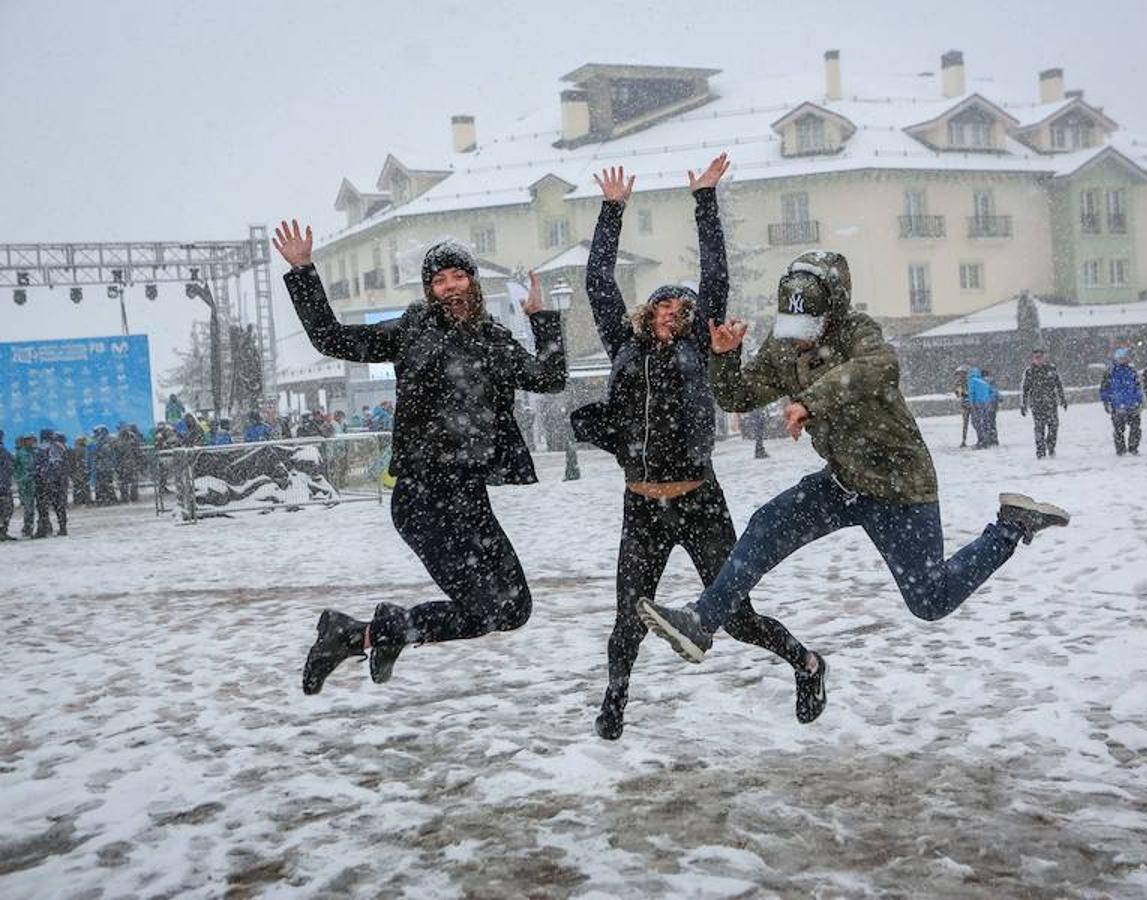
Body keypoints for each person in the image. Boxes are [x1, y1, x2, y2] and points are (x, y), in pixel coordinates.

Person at [637, 250, 1070, 676]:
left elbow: (880, 368)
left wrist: (810, 400)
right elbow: (736, 397)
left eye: (809, 326)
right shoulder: (785, 343)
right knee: (768, 524)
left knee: (930, 599)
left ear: (832, 311)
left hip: (899, 487)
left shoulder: (858, 333)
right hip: (842, 484)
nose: (799, 337)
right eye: (792, 325)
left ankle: (1012, 526)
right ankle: (701, 622)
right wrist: (725, 358)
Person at [573, 158, 820, 739]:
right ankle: (614, 701)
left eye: (682, 309)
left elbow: (716, 272)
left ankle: (807, 665)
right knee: (627, 618)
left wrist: (705, 199)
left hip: (699, 501)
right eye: (663, 305)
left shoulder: (700, 350)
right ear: (646, 311)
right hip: (641, 506)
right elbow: (596, 283)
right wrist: (612, 211)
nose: (672, 314)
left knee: (735, 617)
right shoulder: (622, 347)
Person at [272, 218, 567, 694]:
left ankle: (358, 634)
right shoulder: (412, 330)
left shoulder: (493, 341)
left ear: (473, 281)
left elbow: (549, 377)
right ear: (430, 290)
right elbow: (330, 338)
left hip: (467, 496)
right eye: (439, 280)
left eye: (458, 276)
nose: (450, 287)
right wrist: (304, 270)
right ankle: (373, 632)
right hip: (421, 500)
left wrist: (541, 317)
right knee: (482, 610)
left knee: (514, 610)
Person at [1020, 348, 1068, 458]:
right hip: (1037, 404)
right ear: (1033, 359)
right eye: (1036, 358)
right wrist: (1023, 404)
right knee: (1039, 427)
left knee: (1053, 426)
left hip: (1051, 402)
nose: (1039, 360)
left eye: (1040, 357)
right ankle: (1040, 450)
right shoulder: (1030, 371)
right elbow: (1025, 389)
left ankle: (1051, 446)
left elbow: (1058, 385)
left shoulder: (1051, 369)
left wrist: (1062, 399)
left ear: (1044, 357)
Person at [1099, 347, 1143, 456]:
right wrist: (1106, 402)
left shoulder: (1132, 371)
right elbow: (1104, 389)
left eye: (1125, 358)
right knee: (1119, 429)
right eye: (1121, 358)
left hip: (1132, 404)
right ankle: (1121, 449)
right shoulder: (1110, 373)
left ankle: (1133, 447)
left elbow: (1137, 388)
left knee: (1135, 428)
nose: (1123, 360)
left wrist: (1139, 400)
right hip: (1117, 405)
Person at [34, 430, 69, 537]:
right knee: (59, 506)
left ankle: (44, 528)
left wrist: (38, 476)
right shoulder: (60, 448)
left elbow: (37, 465)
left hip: (44, 482)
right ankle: (63, 528)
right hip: (59, 481)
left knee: (43, 507)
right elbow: (65, 464)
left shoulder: (40, 449)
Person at [966, 366, 996, 448]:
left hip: (977, 404)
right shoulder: (983, 381)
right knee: (985, 422)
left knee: (976, 422)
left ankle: (981, 440)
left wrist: (972, 404)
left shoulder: (972, 381)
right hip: (986, 403)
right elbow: (991, 391)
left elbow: (971, 393)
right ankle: (986, 439)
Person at [15, 435, 38, 536]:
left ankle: (29, 527)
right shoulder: (21, 453)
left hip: (34, 483)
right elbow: (16, 468)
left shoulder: (33, 453)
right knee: (28, 507)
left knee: (32, 507)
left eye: (33, 441)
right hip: (25, 483)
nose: (32, 443)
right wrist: (20, 479)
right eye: (30, 441)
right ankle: (27, 527)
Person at [0, 431, 15, 541]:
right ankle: (2, 531)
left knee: (7, 508)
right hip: (3, 484)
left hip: (4, 483)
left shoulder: (3, 449)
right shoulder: (2, 450)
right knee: (7, 508)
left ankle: (3, 531)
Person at [954, 365, 971, 447]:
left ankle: (964, 440)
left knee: (968, 424)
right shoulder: (961, 383)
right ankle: (964, 440)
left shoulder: (963, 382)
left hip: (968, 404)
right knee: (968, 423)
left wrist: (960, 391)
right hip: (967, 404)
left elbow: (959, 395)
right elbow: (959, 394)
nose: (959, 376)